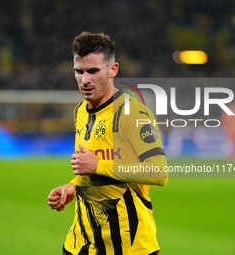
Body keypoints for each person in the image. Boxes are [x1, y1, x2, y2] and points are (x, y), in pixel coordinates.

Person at [47, 32, 168, 255]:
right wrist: (73, 186)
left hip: (128, 247)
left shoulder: (133, 113)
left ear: (113, 70)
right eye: (79, 71)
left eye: (93, 71)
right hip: (80, 244)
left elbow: (159, 171)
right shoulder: (81, 111)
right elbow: (88, 166)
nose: (85, 80)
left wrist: (98, 166)